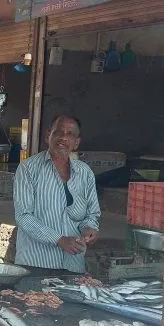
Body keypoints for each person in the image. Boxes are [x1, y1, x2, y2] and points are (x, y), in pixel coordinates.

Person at [13, 115, 101, 274]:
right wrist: (58, 239)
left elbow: (92, 213)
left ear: (76, 143)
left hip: (73, 264)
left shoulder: (85, 173)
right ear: (48, 136)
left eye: (70, 134)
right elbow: (23, 216)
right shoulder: (28, 169)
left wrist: (89, 228)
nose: (63, 138)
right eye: (58, 132)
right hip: (36, 264)